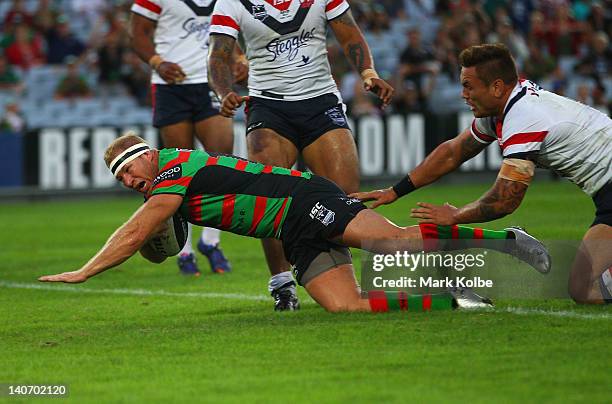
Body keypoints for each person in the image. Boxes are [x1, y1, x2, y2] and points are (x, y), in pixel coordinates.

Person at [38, 133, 551, 313]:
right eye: (120, 177)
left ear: (148, 157)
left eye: (129, 168)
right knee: (346, 306)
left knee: (397, 245)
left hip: (303, 198)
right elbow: (147, 232)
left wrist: (85, 271)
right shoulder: (164, 184)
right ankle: (456, 299)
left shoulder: (176, 166)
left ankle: (508, 238)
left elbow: (137, 231)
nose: (129, 180)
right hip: (291, 227)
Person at [352, 43, 612, 305]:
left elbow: (506, 199)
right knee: (582, 288)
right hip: (606, 196)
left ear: (497, 87)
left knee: (586, 287)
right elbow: (453, 153)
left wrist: (455, 215)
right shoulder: (505, 107)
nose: (463, 94)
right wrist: (395, 191)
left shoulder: (524, 117)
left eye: (468, 85)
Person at [207, 0, 394, 311]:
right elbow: (219, 55)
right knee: (268, 199)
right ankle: (282, 284)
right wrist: (223, 92)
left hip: (320, 101)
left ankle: (344, 279)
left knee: (346, 198)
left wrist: (368, 72)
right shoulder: (231, 2)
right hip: (268, 104)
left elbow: (349, 34)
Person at [129, 0, 248, 280]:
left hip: (210, 81)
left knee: (222, 165)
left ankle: (211, 241)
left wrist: (239, 58)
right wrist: (157, 63)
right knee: (176, 170)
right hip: (172, 87)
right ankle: (184, 250)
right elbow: (137, 33)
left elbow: (224, 30)